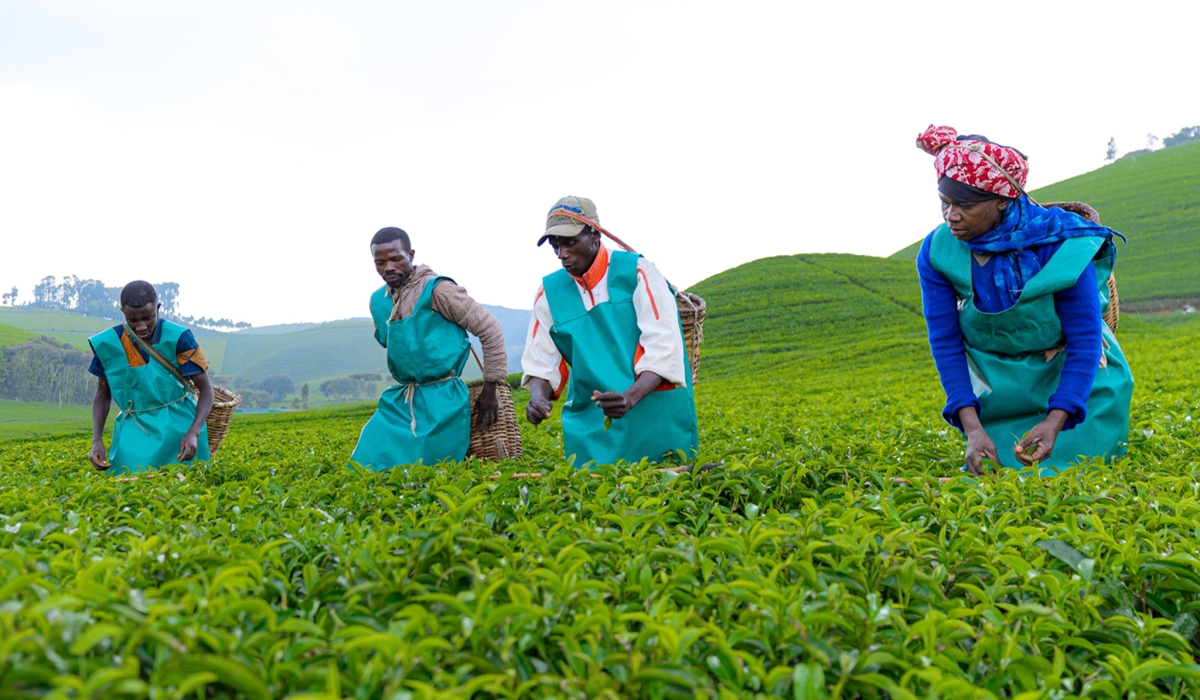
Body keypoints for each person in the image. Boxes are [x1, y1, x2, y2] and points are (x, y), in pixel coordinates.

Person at [914, 125, 1134, 475]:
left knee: (1076, 468)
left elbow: (1086, 340)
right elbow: (945, 341)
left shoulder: (1061, 242)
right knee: (994, 474)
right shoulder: (939, 251)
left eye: (965, 206)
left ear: (1002, 199)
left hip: (1079, 382)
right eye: (946, 202)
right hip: (1001, 387)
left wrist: (1056, 421)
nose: (951, 216)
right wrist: (972, 429)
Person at [522, 196, 699, 467]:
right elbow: (541, 362)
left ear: (595, 234)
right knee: (597, 497)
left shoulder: (637, 273)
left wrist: (629, 398)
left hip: (653, 415)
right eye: (556, 246)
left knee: (665, 493)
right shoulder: (549, 294)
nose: (562, 254)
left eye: (570, 242)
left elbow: (665, 348)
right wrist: (538, 398)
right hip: (593, 426)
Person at [350, 226, 508, 470]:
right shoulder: (378, 301)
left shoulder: (438, 290)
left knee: (429, 472)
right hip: (402, 399)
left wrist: (490, 388)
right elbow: (391, 342)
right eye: (379, 262)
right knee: (367, 460)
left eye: (396, 259)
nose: (388, 268)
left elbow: (490, 329)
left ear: (411, 255)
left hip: (444, 400)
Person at [88, 281, 214, 475]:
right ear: (122, 312)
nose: (141, 326)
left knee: (190, 485)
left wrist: (193, 432)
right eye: (132, 320)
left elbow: (205, 389)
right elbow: (102, 393)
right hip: (134, 428)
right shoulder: (109, 344)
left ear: (158, 308)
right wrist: (97, 439)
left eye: (148, 317)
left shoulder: (180, 338)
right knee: (127, 486)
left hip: (180, 428)